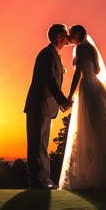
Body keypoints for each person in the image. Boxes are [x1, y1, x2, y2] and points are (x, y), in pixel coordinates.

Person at [58, 25, 106, 189]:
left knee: (86, 129)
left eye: (71, 34)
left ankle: (88, 176)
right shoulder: (91, 48)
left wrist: (69, 96)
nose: (69, 36)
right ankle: (104, 176)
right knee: (99, 132)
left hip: (87, 89)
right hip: (98, 88)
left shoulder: (80, 48)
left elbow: (77, 73)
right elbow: (96, 69)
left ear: (78, 34)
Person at [23, 23, 72, 189]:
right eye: (66, 34)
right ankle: (36, 180)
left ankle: (45, 178)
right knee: (36, 144)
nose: (68, 38)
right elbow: (49, 80)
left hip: (46, 106)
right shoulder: (47, 54)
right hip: (38, 105)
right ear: (59, 37)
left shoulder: (54, 54)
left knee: (43, 145)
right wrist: (63, 100)